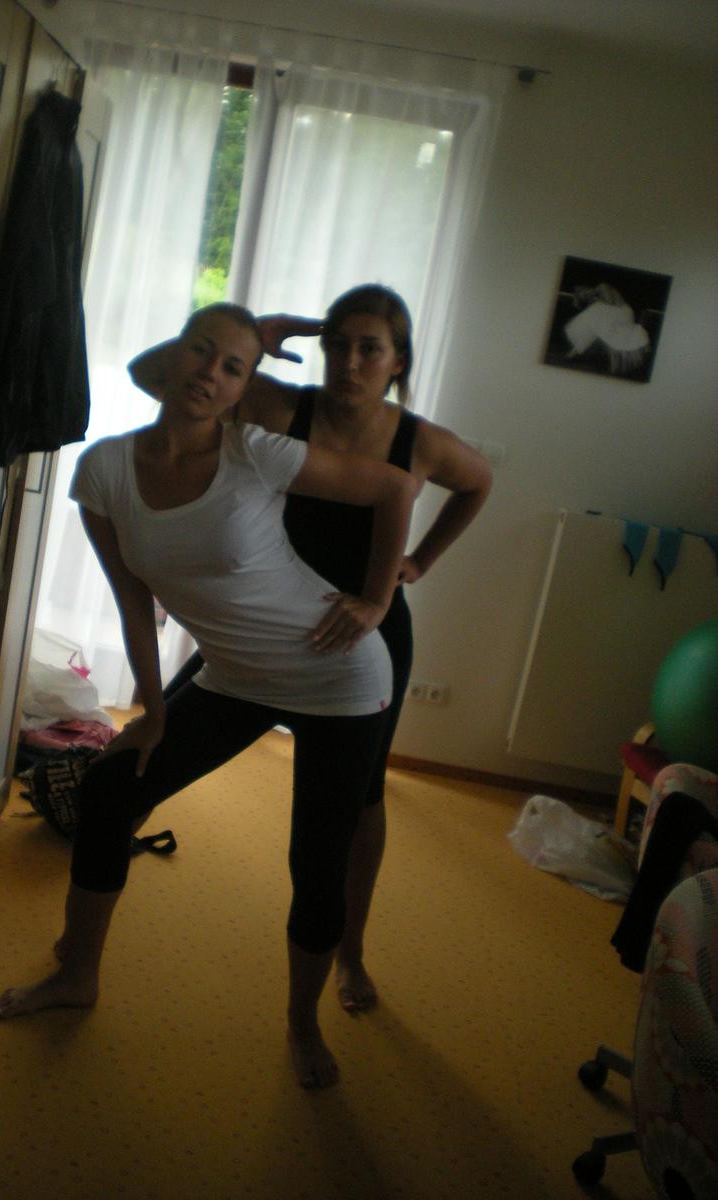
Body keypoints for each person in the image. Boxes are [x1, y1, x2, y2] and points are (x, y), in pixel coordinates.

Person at [0, 302, 419, 1091]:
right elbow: (133, 604)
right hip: (234, 676)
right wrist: (152, 714)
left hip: (338, 676)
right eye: (200, 352)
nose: (210, 375)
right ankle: (77, 974)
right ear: (174, 355)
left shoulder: (256, 452)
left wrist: (377, 598)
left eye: (233, 368)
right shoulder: (105, 470)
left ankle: (302, 1023)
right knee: (111, 789)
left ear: (244, 389)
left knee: (316, 860)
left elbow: (395, 488)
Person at [131, 284, 492, 1014]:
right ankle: (94, 883)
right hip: (262, 628)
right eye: (338, 344)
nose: (350, 362)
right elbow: (150, 373)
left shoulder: (419, 442)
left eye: (370, 349)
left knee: (358, 804)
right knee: (151, 742)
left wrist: (415, 566)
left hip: (363, 636)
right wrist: (257, 337)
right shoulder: (279, 405)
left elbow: (478, 483)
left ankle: (351, 953)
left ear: (398, 361)